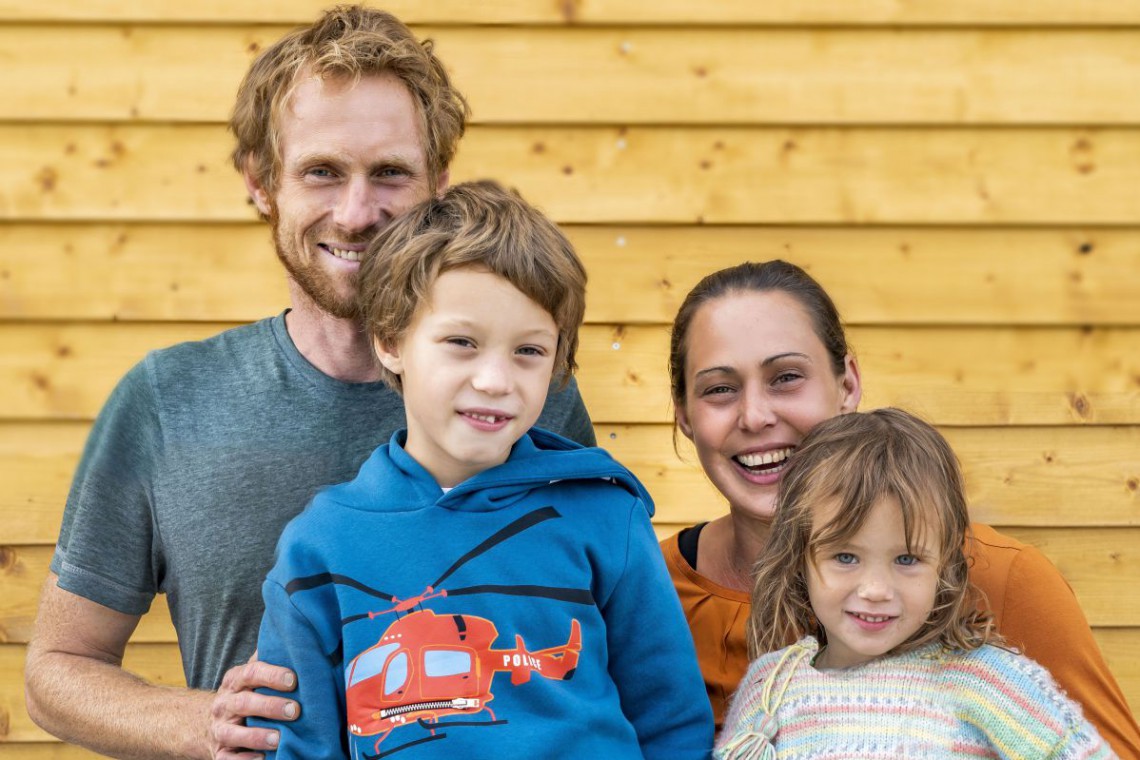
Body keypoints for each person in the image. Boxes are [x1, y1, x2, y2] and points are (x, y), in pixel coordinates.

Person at [24, 8, 595, 759]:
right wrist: (203, 723)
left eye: (390, 173)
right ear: (261, 183)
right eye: (322, 172)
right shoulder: (168, 401)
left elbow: (599, 636)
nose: (358, 214)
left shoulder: (528, 396)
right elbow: (57, 671)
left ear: (438, 183)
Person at [248, 179, 713, 758]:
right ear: (391, 342)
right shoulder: (319, 546)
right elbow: (300, 747)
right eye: (462, 342)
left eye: (529, 351)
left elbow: (673, 724)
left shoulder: (606, 513)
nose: (495, 380)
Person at [662, 260, 1140, 756]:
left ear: (847, 384)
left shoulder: (1003, 579)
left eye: (786, 377)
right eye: (719, 389)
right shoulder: (644, 591)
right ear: (684, 415)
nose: (756, 416)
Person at [713, 407, 1112, 758]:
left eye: (906, 559)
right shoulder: (771, 689)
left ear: (945, 564)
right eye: (846, 557)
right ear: (800, 557)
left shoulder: (986, 682)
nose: (875, 589)